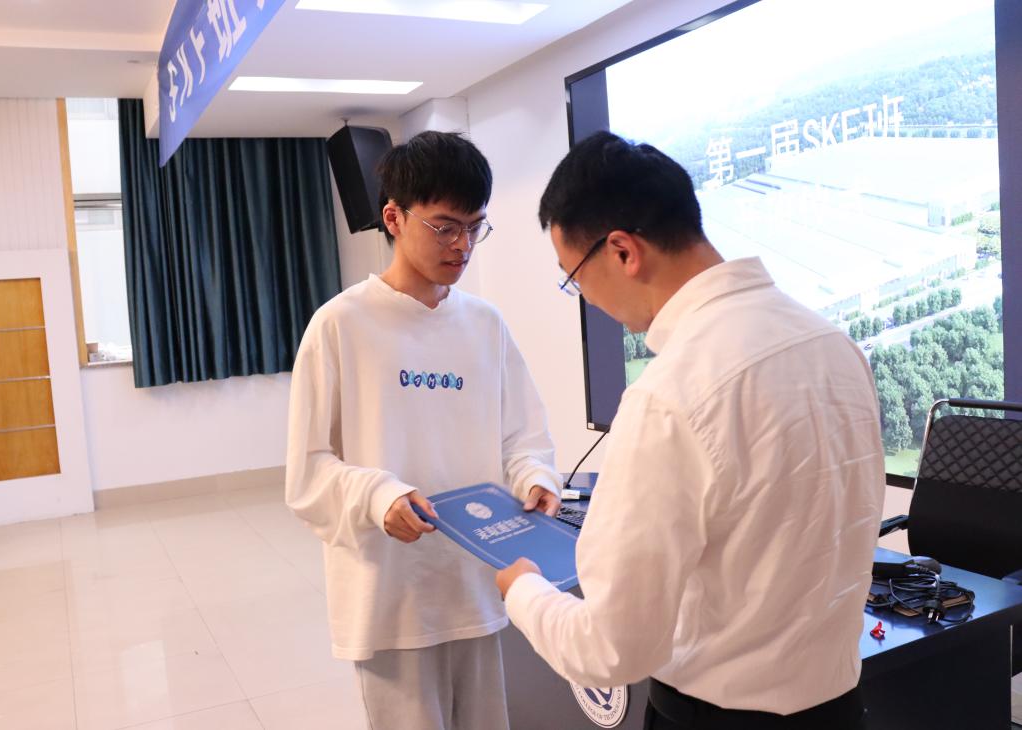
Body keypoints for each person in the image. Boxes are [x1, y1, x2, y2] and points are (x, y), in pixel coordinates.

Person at [496, 131, 885, 729]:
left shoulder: (669, 395)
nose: (587, 299)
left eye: (575, 277)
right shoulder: (832, 343)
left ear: (622, 251)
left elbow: (611, 648)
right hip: (839, 709)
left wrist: (524, 590)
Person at [286, 130, 562, 730]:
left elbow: (523, 435)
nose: (463, 245)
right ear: (394, 217)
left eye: (475, 227)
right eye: (445, 227)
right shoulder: (340, 325)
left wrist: (536, 476)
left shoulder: (485, 324)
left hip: (477, 582)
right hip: (391, 596)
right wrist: (378, 496)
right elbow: (307, 473)